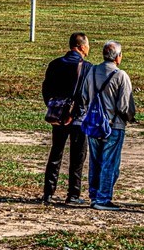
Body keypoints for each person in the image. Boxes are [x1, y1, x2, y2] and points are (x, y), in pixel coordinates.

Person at [76, 40, 134, 211]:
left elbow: (84, 96)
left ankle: (94, 195)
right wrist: (130, 117)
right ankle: (103, 197)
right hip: (114, 125)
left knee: (95, 161)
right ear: (117, 57)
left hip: (94, 124)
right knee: (110, 163)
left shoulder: (92, 71)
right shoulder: (120, 75)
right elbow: (125, 106)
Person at [41, 32, 92, 205]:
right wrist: (74, 113)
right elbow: (85, 94)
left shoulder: (55, 64)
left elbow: (46, 89)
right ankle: (73, 194)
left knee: (56, 152)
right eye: (87, 44)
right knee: (78, 157)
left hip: (58, 116)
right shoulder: (87, 67)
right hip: (78, 118)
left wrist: (53, 107)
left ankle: (48, 192)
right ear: (81, 46)